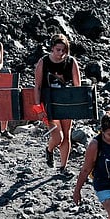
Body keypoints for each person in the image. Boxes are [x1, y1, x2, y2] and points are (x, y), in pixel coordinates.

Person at [34, 33, 81, 176]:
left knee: (66, 135)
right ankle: (49, 150)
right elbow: (37, 86)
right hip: (49, 104)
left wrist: (76, 106)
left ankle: (63, 167)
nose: (61, 53)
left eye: (64, 50)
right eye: (58, 49)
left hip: (66, 104)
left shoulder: (71, 62)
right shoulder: (44, 62)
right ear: (52, 48)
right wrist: (38, 108)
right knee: (57, 136)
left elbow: (77, 85)